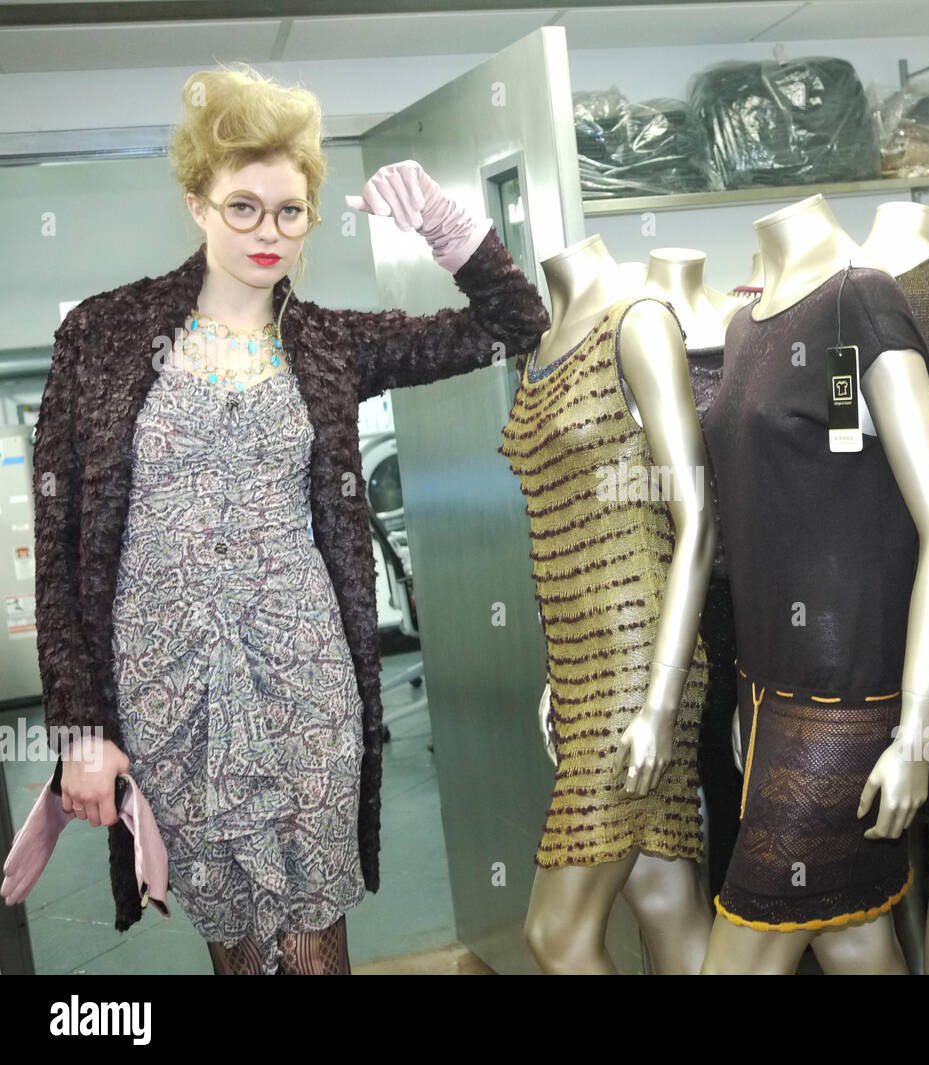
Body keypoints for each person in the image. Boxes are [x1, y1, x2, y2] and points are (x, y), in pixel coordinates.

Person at [33, 62, 549, 975]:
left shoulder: (332, 344)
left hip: (306, 676)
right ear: (197, 203)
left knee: (314, 939)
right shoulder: (104, 337)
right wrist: (80, 730)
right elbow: (59, 547)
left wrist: (447, 223)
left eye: (290, 210)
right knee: (236, 942)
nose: (268, 232)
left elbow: (512, 321)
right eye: (244, 206)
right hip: (168, 692)